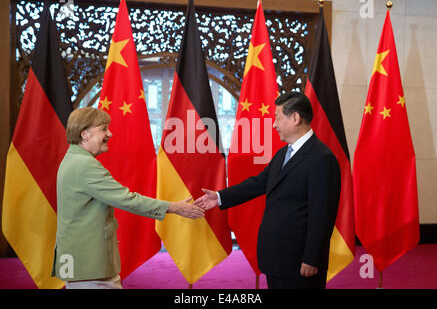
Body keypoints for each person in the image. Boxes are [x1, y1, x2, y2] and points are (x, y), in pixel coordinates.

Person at [194, 91, 341, 289]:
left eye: (278, 118)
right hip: (277, 257)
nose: (274, 124)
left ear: (295, 118)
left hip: (301, 261)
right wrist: (220, 197)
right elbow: (259, 182)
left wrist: (312, 258)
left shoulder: (322, 158)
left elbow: (322, 215)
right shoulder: (283, 153)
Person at [52, 107, 204, 289]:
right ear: (84, 134)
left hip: (80, 259)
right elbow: (127, 199)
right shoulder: (85, 165)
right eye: (103, 129)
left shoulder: (72, 158)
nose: (110, 133)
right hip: (89, 261)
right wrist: (175, 207)